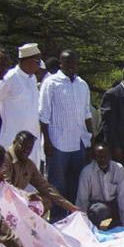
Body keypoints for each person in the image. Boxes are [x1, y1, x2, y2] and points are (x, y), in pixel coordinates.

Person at [39, 49, 94, 220]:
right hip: (58, 143)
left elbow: (87, 114)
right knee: (57, 184)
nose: (71, 66)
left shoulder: (82, 85)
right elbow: (43, 115)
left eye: (74, 62)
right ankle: (57, 220)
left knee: (76, 184)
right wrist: (47, 141)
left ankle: (74, 219)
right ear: (61, 63)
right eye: (67, 62)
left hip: (78, 142)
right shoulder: (51, 83)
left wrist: (90, 139)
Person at [4, 131, 78, 216]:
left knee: (46, 200)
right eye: (22, 145)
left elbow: (46, 187)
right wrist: (26, 196)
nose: (26, 150)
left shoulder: (29, 164)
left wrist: (70, 207)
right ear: (14, 142)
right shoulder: (4, 159)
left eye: (29, 148)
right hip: (3, 202)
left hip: (19, 200)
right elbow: (5, 187)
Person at [77, 143, 124, 229]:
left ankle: (118, 222)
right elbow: (82, 200)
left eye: (105, 156)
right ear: (94, 158)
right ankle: (99, 227)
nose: (102, 159)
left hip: (115, 203)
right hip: (99, 206)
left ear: (110, 156)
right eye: (99, 157)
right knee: (99, 211)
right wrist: (82, 225)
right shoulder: (86, 172)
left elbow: (123, 195)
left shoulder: (118, 168)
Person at [0, 43, 43, 166]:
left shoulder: (32, 79)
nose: (39, 65)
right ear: (27, 61)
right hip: (13, 136)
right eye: (37, 61)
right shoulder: (11, 77)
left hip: (31, 137)